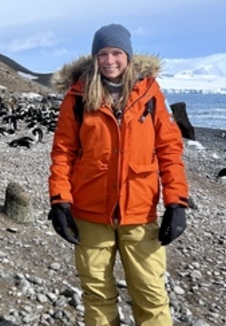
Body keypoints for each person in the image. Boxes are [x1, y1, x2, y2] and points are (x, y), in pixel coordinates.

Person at [47, 23, 189, 326]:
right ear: (94, 57)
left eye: (116, 53)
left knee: (151, 293)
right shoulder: (77, 97)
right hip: (90, 212)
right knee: (97, 295)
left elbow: (169, 149)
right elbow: (63, 153)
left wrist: (177, 203)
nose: (109, 61)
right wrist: (60, 202)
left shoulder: (149, 93)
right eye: (102, 53)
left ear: (128, 55)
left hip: (139, 211)